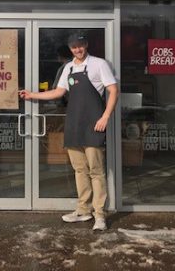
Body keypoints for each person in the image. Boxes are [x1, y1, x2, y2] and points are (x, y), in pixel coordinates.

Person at [19, 33, 118, 231]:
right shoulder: (68, 68)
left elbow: (113, 90)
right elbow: (58, 92)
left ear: (86, 45)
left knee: (96, 171)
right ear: (70, 48)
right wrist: (32, 95)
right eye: (74, 47)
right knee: (79, 170)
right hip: (73, 123)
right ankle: (83, 210)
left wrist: (105, 117)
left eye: (80, 46)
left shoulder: (99, 64)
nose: (77, 50)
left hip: (94, 124)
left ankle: (100, 215)